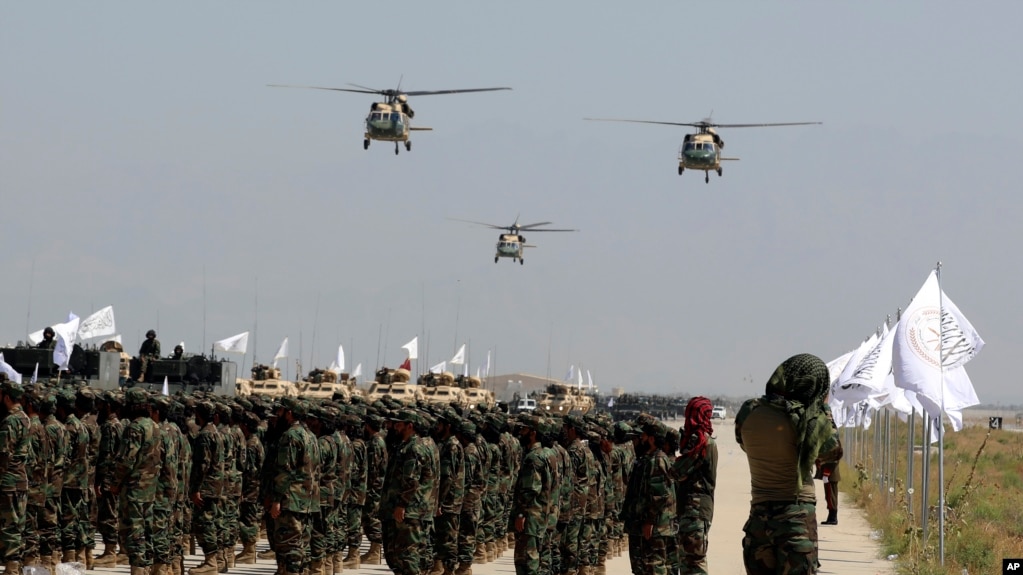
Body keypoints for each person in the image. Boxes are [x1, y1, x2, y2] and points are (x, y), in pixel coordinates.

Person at [735, 354, 842, 575]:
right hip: (796, 521)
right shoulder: (809, 421)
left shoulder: (749, 411)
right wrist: (824, 410)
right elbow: (832, 454)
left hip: (759, 522)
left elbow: (743, 442)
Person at [672, 396, 718, 575]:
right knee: (689, 559)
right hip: (698, 509)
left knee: (693, 561)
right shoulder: (706, 440)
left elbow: (678, 472)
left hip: (694, 509)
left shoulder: (698, 441)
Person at [0, 377, 31, 575]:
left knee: (9, 525)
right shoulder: (26, 418)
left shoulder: (10, 421)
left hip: (8, 481)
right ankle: (16, 565)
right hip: (20, 479)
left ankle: (11, 569)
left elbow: (3, 454)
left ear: (6, 397)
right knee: (17, 525)